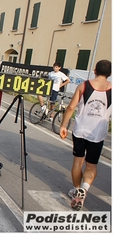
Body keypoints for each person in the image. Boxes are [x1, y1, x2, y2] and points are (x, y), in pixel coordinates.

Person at [60, 59, 111, 211]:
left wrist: (63, 125)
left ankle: (77, 190)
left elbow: (71, 107)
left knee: (77, 163)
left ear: (95, 70)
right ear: (110, 74)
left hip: (80, 131)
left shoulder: (84, 85)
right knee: (91, 165)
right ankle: (84, 188)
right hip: (98, 133)